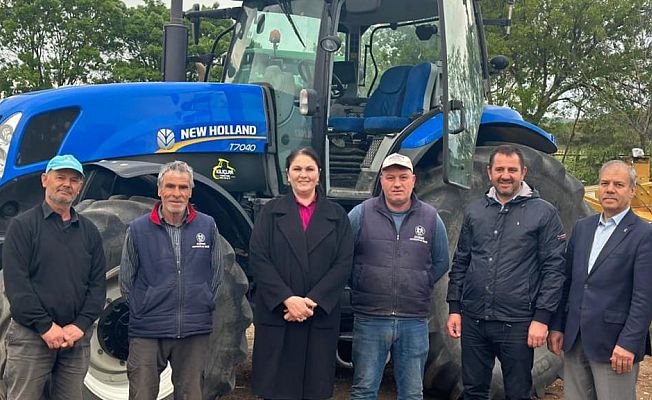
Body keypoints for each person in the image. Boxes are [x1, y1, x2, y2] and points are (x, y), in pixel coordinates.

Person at [446, 145, 566, 399]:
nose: (505, 175)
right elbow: (461, 262)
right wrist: (455, 308)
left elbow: (554, 269)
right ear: (490, 172)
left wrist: (542, 318)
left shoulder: (544, 213)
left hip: (517, 322)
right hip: (475, 319)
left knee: (518, 392)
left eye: (512, 170)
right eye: (499, 169)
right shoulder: (476, 210)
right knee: (473, 390)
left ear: (523, 172)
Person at [249, 147, 353, 400]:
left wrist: (312, 300)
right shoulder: (270, 213)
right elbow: (259, 258)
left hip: (317, 314)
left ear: (319, 174)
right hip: (280, 313)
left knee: (314, 388)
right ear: (288, 175)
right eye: (297, 169)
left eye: (309, 169)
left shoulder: (337, 216)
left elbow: (343, 263)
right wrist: (287, 299)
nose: (303, 174)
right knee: (278, 389)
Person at [2, 154, 106, 400]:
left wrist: (79, 326)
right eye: (60, 177)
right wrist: (45, 327)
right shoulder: (22, 226)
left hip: (75, 341)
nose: (66, 184)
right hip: (32, 337)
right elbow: (17, 285)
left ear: (80, 186)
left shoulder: (90, 231)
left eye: (74, 180)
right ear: (44, 180)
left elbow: (97, 285)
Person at [348, 153, 450, 400]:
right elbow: (344, 260)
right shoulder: (360, 214)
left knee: (412, 393)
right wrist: (361, 281)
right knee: (363, 390)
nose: (397, 183)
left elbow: (441, 262)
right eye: (390, 177)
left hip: (413, 321)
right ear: (381, 180)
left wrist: (420, 284)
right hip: (370, 319)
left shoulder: (430, 218)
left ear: (413, 180)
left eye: (403, 177)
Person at [548, 160, 652, 400]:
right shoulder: (582, 228)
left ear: (632, 191)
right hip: (575, 340)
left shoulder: (644, 234)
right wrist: (558, 326)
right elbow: (568, 282)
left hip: (615, 345)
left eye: (618, 184)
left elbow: (644, 297)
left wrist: (628, 342)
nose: (610, 189)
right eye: (605, 183)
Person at [119, 160, 223, 399]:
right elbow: (126, 280)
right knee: (142, 394)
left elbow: (216, 274)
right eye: (170, 186)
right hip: (148, 330)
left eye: (183, 187)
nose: (177, 193)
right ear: (159, 190)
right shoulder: (138, 229)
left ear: (190, 192)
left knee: (191, 394)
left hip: (193, 330)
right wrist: (144, 308)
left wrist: (203, 302)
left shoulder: (207, 226)